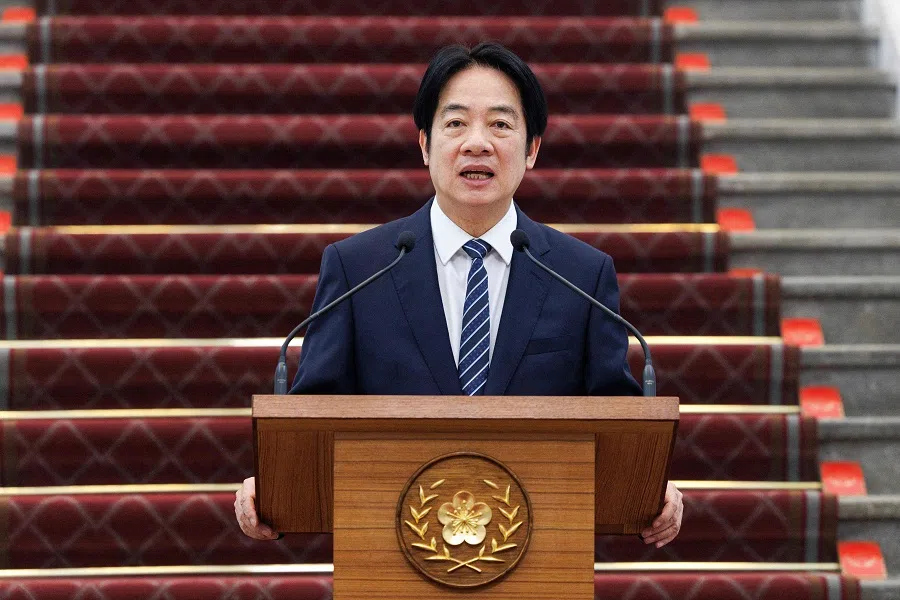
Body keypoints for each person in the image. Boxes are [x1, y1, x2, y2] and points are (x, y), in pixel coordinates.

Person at [236, 42, 683, 549]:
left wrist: (652, 486)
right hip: (391, 553)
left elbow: (616, 421)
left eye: (500, 125)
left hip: (536, 554)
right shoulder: (359, 268)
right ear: (424, 144)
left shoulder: (582, 275)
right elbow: (313, 416)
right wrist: (275, 483)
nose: (478, 143)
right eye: (455, 124)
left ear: (532, 148)